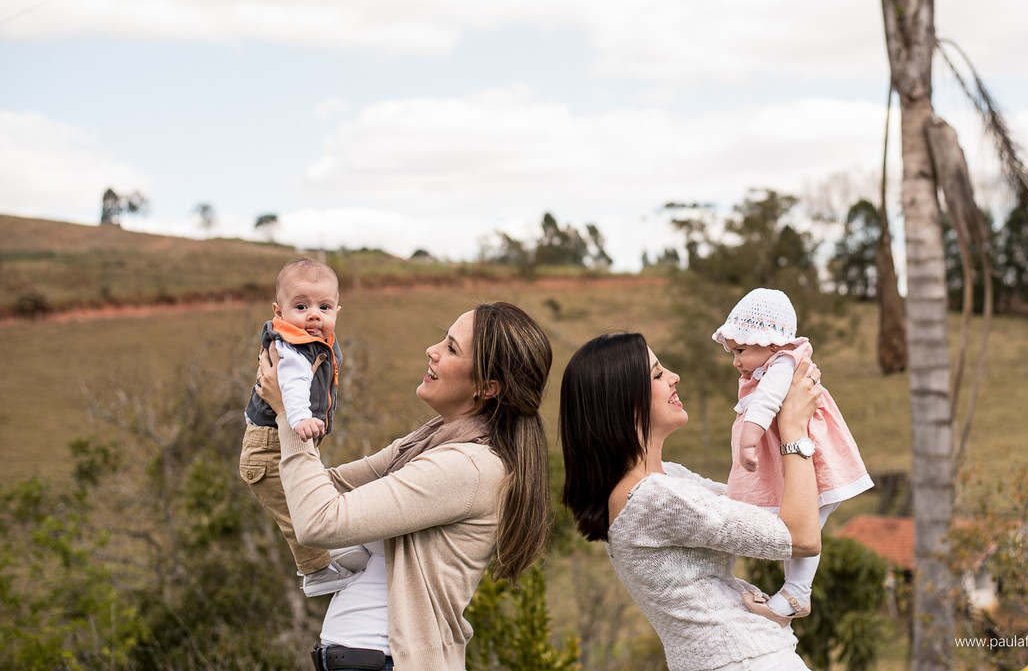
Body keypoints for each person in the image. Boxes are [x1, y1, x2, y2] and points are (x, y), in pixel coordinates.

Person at [255, 301, 553, 671]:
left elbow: (320, 521)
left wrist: (290, 415)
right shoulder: (427, 442)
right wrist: (284, 403)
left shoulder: (469, 467)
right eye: (443, 340)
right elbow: (319, 488)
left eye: (451, 348)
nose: (433, 350)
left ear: (487, 387)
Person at [559, 331, 825, 671]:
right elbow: (799, 537)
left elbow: (758, 509)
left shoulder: (667, 479)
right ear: (623, 401)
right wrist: (794, 429)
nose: (674, 377)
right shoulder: (653, 498)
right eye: (657, 374)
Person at [711, 288, 872, 623]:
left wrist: (748, 440)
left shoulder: (783, 363)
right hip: (802, 458)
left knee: (801, 530)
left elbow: (768, 402)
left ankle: (797, 592)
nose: (735, 361)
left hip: (814, 460)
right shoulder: (775, 364)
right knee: (798, 526)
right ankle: (794, 592)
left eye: (740, 350)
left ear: (770, 343)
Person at [240, 257, 368, 597]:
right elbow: (292, 384)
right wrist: (296, 418)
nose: (314, 315)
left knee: (309, 497)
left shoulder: (317, 339)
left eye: (324, 307)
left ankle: (327, 555)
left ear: (337, 311)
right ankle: (316, 571)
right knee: (297, 514)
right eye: (301, 306)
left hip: (281, 439)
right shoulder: (293, 347)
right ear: (278, 311)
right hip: (272, 444)